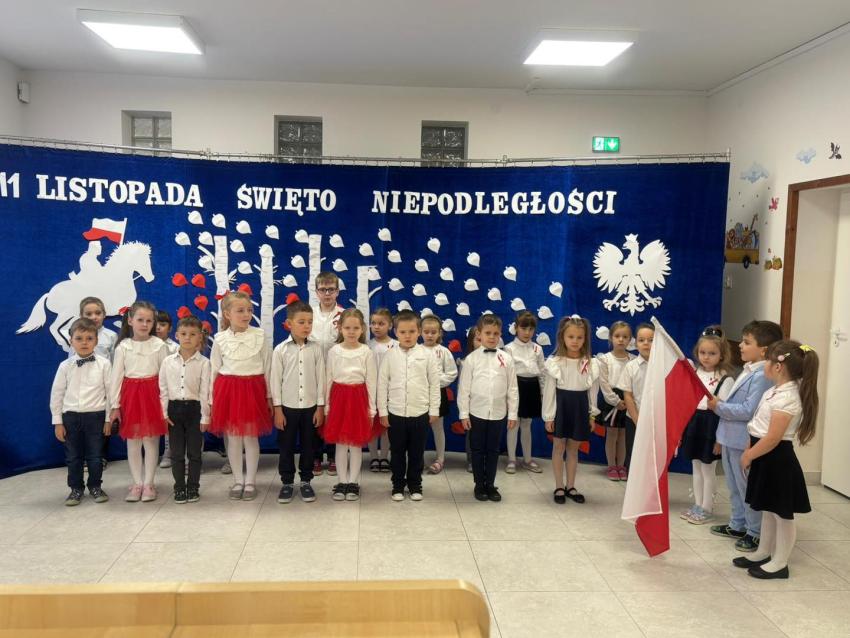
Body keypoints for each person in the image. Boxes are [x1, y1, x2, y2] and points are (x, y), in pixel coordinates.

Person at [734, 341, 818, 579]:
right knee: (768, 509)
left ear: (778, 366)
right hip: (765, 456)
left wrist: (749, 455)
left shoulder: (788, 397)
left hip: (777, 460)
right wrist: (750, 447)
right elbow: (759, 427)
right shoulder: (775, 391)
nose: (765, 365)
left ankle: (780, 562)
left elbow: (772, 438)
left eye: (768, 361)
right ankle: (764, 552)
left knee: (782, 514)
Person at [708, 320, 783, 552]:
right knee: (733, 485)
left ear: (764, 350)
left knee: (746, 487)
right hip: (730, 437)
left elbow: (749, 410)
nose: (740, 345)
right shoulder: (748, 368)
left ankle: (755, 532)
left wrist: (718, 406)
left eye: (747, 342)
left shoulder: (762, 375)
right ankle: (738, 524)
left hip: (743, 440)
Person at [209, 291, 272, 501]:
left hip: (253, 390)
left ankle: (250, 481)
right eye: (240, 310)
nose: (246, 314)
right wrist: (211, 400)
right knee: (234, 439)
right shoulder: (220, 339)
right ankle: (238, 480)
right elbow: (214, 370)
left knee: (250, 437)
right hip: (228, 391)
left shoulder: (259, 336)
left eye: (249, 310)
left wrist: (270, 396)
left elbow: (268, 367)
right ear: (227, 314)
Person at [109, 301, 169, 502]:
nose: (144, 324)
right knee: (133, 441)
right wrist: (115, 406)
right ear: (130, 320)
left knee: (151, 440)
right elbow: (116, 378)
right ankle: (137, 483)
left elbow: (165, 376)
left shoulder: (159, 345)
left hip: (153, 395)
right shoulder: (123, 347)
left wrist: (165, 403)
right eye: (140, 320)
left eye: (149, 321)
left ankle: (149, 483)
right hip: (131, 397)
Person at [378, 310, 440, 501]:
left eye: (412, 331)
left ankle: (415, 485)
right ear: (395, 332)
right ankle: (397, 485)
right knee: (397, 452)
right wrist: (383, 411)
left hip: (420, 413)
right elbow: (382, 384)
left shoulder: (427, 355)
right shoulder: (390, 355)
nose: (407, 336)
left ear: (419, 331)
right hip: (395, 413)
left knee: (416, 453)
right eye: (403, 332)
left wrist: (434, 409)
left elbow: (434, 384)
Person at [50, 317, 112, 505]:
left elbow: (111, 394)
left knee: (95, 456)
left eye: (89, 338)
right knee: (73, 457)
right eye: (79, 338)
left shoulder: (104, 364)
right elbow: (57, 394)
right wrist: (58, 422)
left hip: (96, 416)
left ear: (96, 341)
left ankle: (95, 486)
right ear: (71, 341)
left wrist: (108, 419)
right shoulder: (65, 366)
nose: (84, 342)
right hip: (70, 417)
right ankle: (76, 489)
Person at [678, 326, 735, 524]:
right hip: (695, 423)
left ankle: (707, 507)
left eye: (712, 353)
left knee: (708, 469)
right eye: (702, 352)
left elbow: (726, 413)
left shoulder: (725, 378)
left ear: (722, 355)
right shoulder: (695, 373)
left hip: (712, 426)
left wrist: (720, 440)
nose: (706, 357)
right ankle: (698, 504)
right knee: (696, 466)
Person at [458, 315, 518, 502]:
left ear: (500, 335)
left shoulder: (507, 359)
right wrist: (464, 414)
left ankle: (490, 484)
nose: (492, 337)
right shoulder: (471, 359)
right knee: (477, 450)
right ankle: (479, 485)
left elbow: (512, 388)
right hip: (476, 412)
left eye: (496, 334)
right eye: (488, 333)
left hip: (498, 413)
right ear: (479, 334)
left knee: (493, 450)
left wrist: (513, 413)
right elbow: (464, 389)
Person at [271, 301, 325, 504]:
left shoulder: (316, 349)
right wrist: (278, 409)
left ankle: (305, 481)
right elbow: (275, 381)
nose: (306, 326)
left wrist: (320, 407)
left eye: (310, 322)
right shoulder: (280, 350)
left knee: (309, 446)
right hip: (287, 407)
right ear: (289, 323)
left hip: (310, 407)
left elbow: (321, 379)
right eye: (301, 322)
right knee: (285, 446)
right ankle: (287, 482)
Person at [323, 308, 378, 502]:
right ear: (340, 328)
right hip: (339, 399)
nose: (352, 332)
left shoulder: (366, 352)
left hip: (358, 400)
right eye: (347, 328)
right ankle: (342, 481)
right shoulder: (334, 351)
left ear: (362, 329)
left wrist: (372, 409)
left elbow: (371, 382)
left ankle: (353, 482)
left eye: (356, 328)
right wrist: (327, 407)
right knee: (340, 443)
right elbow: (328, 379)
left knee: (355, 444)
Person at [543, 315, 598, 504]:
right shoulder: (555, 362)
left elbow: (592, 392)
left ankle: (571, 486)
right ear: (563, 337)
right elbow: (549, 391)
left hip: (580, 407)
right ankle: (559, 486)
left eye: (579, 337)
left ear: (585, 339)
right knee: (559, 446)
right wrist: (549, 416)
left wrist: (592, 415)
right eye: (571, 337)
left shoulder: (590, 363)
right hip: (561, 406)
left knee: (573, 449)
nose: (575, 341)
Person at [159, 316, 210, 504]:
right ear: (177, 335)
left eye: (193, 334)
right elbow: (163, 389)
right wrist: (164, 413)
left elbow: (205, 391)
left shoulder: (204, 363)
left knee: (195, 453)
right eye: (183, 334)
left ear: (200, 337)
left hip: (194, 410)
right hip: (174, 410)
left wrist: (205, 416)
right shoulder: (167, 362)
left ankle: (193, 487)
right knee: (177, 453)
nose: (188, 338)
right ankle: (179, 487)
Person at [77, 296, 118, 470]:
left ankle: (100, 456)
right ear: (81, 315)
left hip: (104, 385)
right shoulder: (77, 335)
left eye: (97, 313)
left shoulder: (111, 336)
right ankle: (86, 457)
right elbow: (72, 360)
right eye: (89, 314)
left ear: (104, 315)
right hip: (83, 386)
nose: (94, 317)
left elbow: (116, 362)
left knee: (103, 421)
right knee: (84, 422)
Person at [310, 271, 344, 477]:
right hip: (313, 372)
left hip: (336, 372)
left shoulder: (344, 315)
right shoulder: (309, 314)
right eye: (323, 289)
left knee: (333, 414)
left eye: (331, 289)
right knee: (315, 413)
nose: (327, 294)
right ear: (316, 292)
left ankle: (332, 455)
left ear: (338, 291)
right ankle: (315, 456)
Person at [503, 311, 545, 474]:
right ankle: (511, 459)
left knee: (527, 424)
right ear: (516, 328)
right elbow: (506, 375)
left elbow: (542, 372)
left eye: (531, 329)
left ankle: (527, 459)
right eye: (523, 328)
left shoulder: (538, 349)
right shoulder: (509, 348)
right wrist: (507, 395)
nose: (527, 332)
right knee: (513, 424)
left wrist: (543, 393)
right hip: (515, 386)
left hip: (532, 387)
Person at [594, 321, 633, 481]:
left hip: (629, 399)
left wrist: (629, 401)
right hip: (611, 401)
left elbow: (636, 383)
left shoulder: (633, 360)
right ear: (610, 338)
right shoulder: (605, 359)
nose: (621, 340)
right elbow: (603, 384)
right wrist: (615, 401)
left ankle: (621, 466)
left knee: (623, 435)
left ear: (630, 339)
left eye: (625, 337)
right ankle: (611, 466)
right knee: (611, 434)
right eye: (617, 336)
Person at [421, 314, 458, 474]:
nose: (430, 335)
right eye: (426, 332)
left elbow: (452, 373)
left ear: (439, 333)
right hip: (419, 394)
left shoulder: (444, 352)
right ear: (420, 332)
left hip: (438, 394)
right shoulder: (416, 350)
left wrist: (435, 382)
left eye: (433, 332)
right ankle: (418, 459)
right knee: (419, 429)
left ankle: (440, 459)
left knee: (438, 427)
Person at [618, 322, 655, 473]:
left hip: (656, 420)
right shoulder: (631, 367)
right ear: (635, 343)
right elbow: (627, 395)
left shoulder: (663, 367)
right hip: (634, 419)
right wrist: (637, 420)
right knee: (634, 455)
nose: (646, 343)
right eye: (641, 340)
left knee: (653, 456)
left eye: (651, 340)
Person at [367, 308, 396, 472]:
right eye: (373, 323)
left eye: (381, 323)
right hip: (371, 392)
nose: (376, 327)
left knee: (386, 425)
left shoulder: (396, 345)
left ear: (390, 325)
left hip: (390, 393)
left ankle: (384, 456)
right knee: (372, 425)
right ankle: (373, 457)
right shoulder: (367, 345)